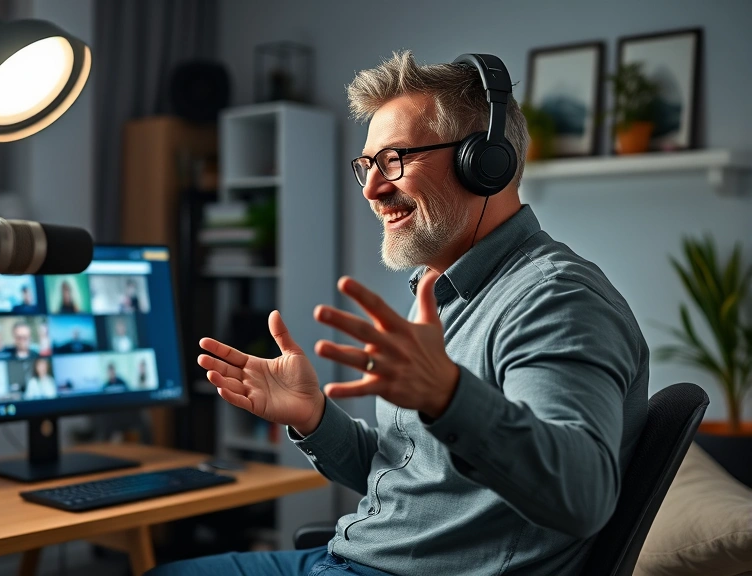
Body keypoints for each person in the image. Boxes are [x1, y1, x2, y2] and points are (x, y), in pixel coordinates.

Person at [150, 51, 649, 576]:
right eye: (366, 165)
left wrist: (449, 396)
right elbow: (412, 479)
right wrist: (315, 419)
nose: (371, 188)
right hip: (350, 557)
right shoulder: (442, 291)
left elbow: (582, 496)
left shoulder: (555, 301)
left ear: (484, 162)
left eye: (394, 160)